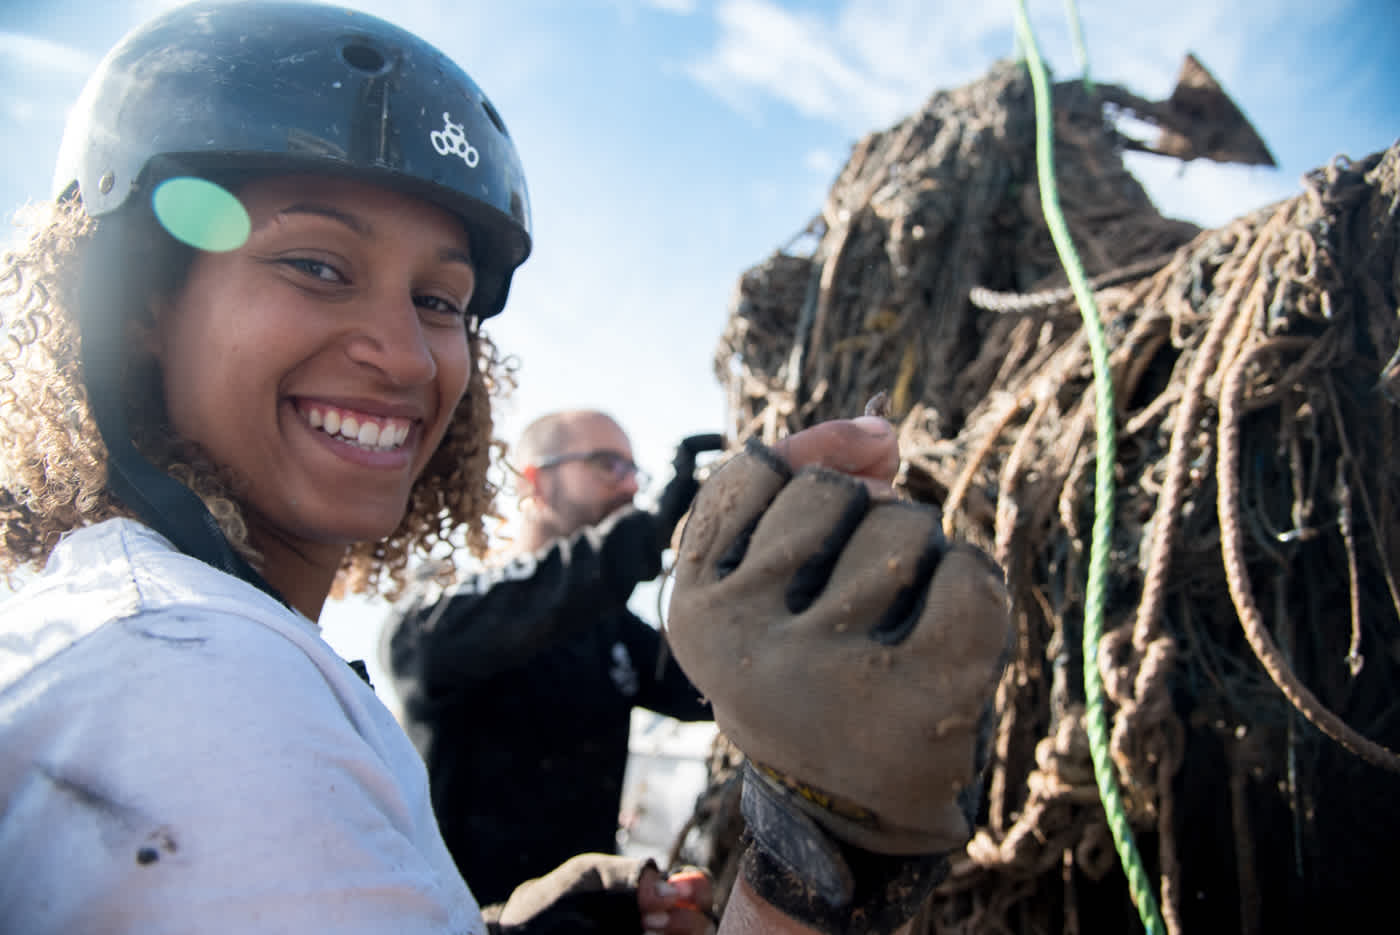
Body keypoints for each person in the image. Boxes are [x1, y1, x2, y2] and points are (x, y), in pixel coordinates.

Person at [0, 2, 1012, 933]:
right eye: (315, 264)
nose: (401, 354)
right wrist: (811, 871)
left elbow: (739, 679)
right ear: (134, 302)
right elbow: (520, 608)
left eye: (440, 300)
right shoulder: (197, 681)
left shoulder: (180, 632)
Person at [385, 409, 723, 906]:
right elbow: (541, 596)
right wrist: (648, 535)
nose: (630, 487)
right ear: (535, 482)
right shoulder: (448, 609)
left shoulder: (614, 632)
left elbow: (720, 688)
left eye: (634, 471)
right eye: (608, 465)